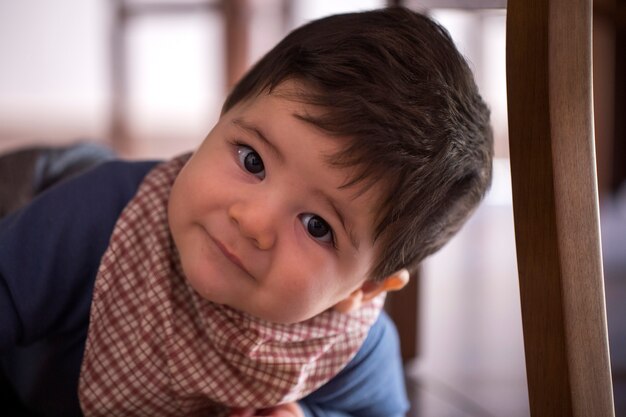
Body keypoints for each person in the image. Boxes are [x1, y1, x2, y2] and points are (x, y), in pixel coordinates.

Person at [0, 6, 493, 417]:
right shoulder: (102, 217)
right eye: (251, 160)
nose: (253, 222)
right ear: (220, 118)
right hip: (37, 189)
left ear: (362, 291)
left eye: (317, 227)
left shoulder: (342, 348)